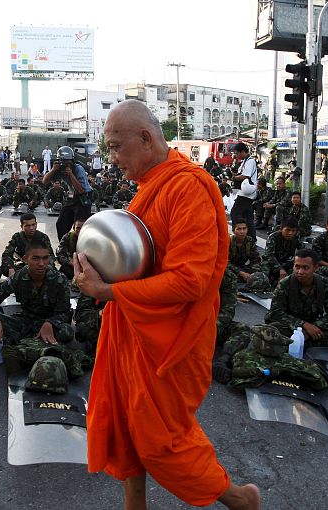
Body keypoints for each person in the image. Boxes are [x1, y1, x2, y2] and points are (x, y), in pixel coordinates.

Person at [72, 100, 260, 509]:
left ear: (145, 138)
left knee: (161, 441)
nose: (112, 158)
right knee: (125, 423)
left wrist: (108, 292)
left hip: (169, 340)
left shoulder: (187, 187)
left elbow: (190, 281)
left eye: (116, 146)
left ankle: (239, 499)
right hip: (133, 329)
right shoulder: (150, 188)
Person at [0, 239, 74, 346]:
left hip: (50, 324)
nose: (41, 264)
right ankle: (34, 343)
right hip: (25, 321)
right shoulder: (17, 278)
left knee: (66, 332)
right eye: (35, 258)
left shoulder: (60, 280)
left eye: (45, 258)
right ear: (25, 259)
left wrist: (50, 323)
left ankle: (23, 342)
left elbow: (64, 312)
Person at [265, 249, 328, 346]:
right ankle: (305, 342)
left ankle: (302, 342)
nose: (300, 272)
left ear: (315, 268)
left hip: (313, 324)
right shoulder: (285, 284)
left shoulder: (324, 284)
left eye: (305, 268)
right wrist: (303, 325)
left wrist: (314, 327)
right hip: (290, 326)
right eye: (297, 267)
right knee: (272, 331)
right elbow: (275, 312)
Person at [42, 146, 93, 240]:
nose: (66, 165)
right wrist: (53, 170)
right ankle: (63, 245)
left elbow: (81, 190)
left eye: (68, 162)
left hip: (84, 197)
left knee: (79, 225)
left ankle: (79, 246)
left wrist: (71, 174)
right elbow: (44, 181)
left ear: (72, 161)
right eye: (63, 162)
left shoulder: (78, 169)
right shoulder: (59, 169)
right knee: (61, 223)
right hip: (72, 196)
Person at [261, 216, 303, 285]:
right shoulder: (273, 237)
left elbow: (303, 252)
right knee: (263, 276)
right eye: (288, 230)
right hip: (272, 263)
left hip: (286, 263)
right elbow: (269, 256)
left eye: (293, 231)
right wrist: (280, 269)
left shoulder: (295, 238)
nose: (290, 233)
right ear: (281, 228)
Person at [230, 142, 258, 238]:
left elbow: (245, 176)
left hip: (246, 193)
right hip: (245, 192)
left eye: (237, 153)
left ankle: (238, 234)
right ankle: (251, 238)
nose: (237, 156)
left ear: (242, 151)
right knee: (247, 216)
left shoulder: (250, 161)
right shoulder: (245, 161)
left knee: (235, 213)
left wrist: (234, 178)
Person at [228, 218, 261, 283]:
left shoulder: (250, 241)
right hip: (231, 269)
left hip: (243, 268)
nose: (242, 232)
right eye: (239, 229)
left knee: (261, 273)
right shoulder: (228, 242)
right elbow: (225, 262)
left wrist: (252, 272)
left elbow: (256, 259)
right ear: (233, 231)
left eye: (244, 228)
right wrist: (241, 273)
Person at [57, 215, 87, 280]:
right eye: (78, 228)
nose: (80, 230)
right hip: (71, 267)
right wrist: (72, 263)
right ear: (74, 228)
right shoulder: (67, 237)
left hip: (87, 269)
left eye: (83, 228)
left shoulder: (92, 239)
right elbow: (60, 254)